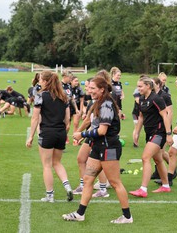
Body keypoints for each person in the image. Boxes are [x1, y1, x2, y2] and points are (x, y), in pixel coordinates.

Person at [63, 76, 133, 223]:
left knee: (115, 183)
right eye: (89, 88)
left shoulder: (106, 105)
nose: (90, 91)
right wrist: (84, 135)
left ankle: (127, 217)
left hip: (108, 147)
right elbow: (94, 125)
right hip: (98, 147)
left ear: (102, 89)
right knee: (88, 179)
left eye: (93, 88)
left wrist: (82, 134)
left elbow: (102, 131)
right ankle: (80, 214)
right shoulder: (98, 102)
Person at [26, 71, 73, 203]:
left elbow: (35, 118)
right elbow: (67, 119)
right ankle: (68, 187)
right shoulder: (64, 96)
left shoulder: (41, 96)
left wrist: (30, 137)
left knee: (47, 165)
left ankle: (50, 196)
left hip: (47, 132)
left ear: (46, 81)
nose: (39, 81)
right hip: (61, 133)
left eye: (41, 79)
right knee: (57, 162)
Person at [129, 77, 173, 198]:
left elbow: (165, 116)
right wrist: (136, 132)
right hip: (149, 133)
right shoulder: (142, 99)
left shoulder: (156, 99)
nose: (138, 89)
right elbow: (141, 117)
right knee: (158, 160)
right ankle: (166, 186)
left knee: (145, 157)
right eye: (138, 86)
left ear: (148, 86)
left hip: (159, 132)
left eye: (140, 86)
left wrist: (169, 135)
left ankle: (143, 189)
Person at [70, 75, 85, 144]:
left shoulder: (79, 89)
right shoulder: (68, 88)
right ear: (71, 81)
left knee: (76, 124)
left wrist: (81, 110)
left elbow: (82, 101)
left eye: (77, 81)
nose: (77, 82)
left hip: (77, 109)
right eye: (75, 81)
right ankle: (64, 138)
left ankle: (75, 140)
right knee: (67, 125)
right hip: (68, 108)